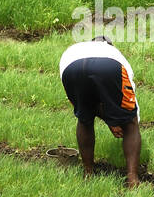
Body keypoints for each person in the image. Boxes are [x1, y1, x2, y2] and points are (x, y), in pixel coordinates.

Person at [59, 35, 142, 187]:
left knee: (84, 119)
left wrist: (111, 120)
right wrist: (117, 121)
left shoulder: (75, 49)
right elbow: (130, 111)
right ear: (110, 45)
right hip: (109, 66)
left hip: (70, 67)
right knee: (131, 123)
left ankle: (88, 173)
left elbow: (89, 105)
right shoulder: (115, 55)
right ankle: (132, 179)